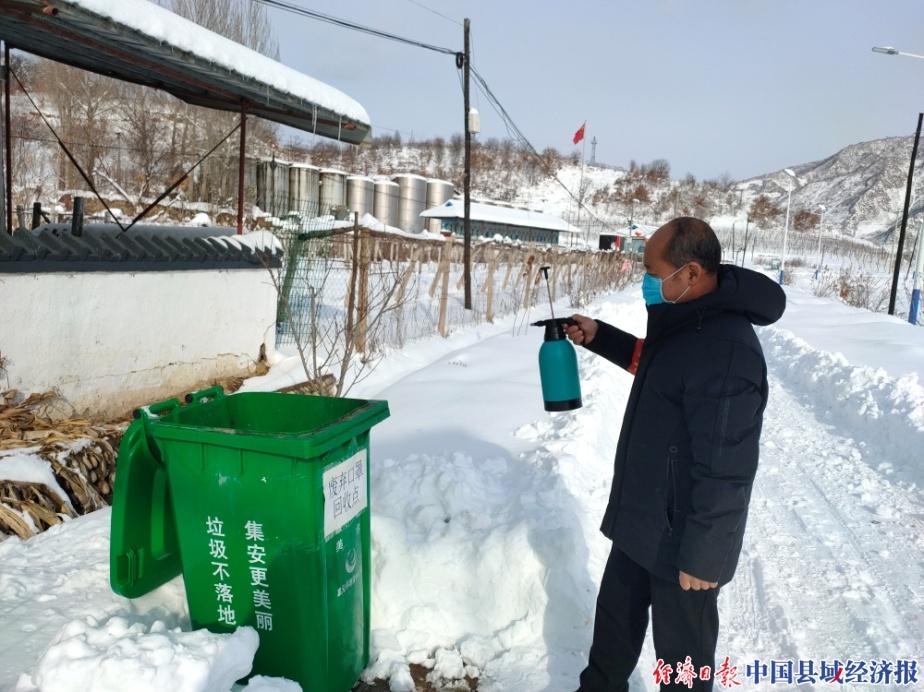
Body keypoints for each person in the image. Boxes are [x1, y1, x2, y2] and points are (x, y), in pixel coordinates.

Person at [566, 217, 786, 691]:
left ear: (689, 273)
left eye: (651, 269)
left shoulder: (727, 350)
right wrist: (599, 335)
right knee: (610, 644)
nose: (645, 279)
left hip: (684, 542)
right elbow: (661, 370)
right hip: (640, 520)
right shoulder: (687, 319)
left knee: (682, 669)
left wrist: (704, 557)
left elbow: (728, 468)